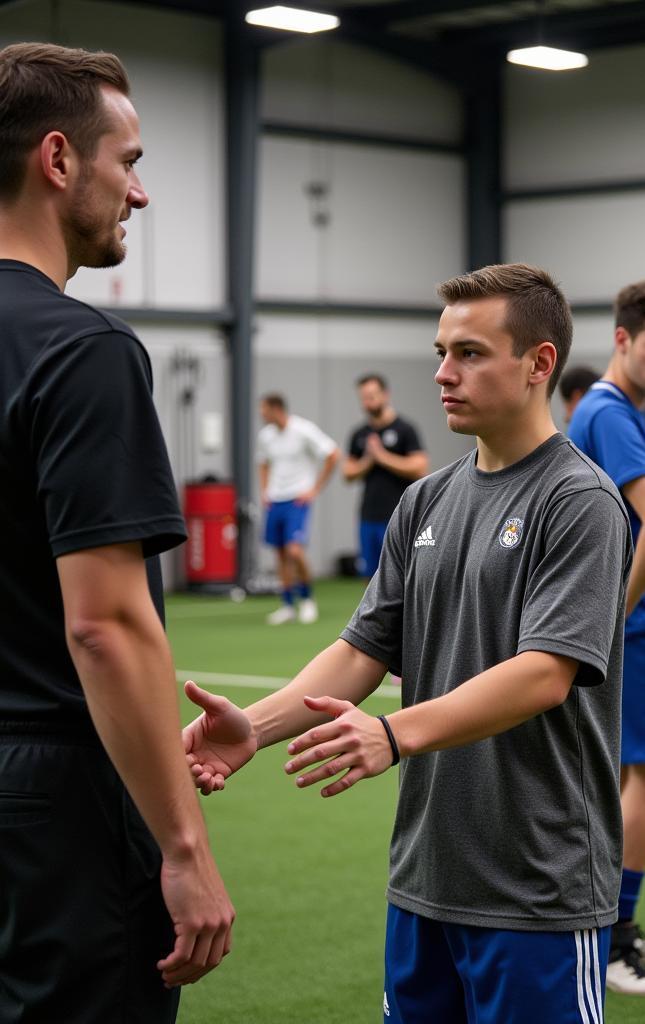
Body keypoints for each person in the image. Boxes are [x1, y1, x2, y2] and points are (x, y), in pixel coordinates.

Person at [182, 263, 632, 1023]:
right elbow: (364, 650)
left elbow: (543, 675)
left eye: (469, 353)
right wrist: (251, 731)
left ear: (538, 364)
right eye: (441, 350)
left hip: (538, 889)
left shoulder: (579, 500)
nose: (441, 373)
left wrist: (393, 734)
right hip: (425, 877)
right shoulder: (427, 498)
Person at [0, 42, 234, 1021]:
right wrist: (183, 847)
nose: (138, 194)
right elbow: (105, 625)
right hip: (50, 801)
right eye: (127, 163)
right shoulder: (82, 352)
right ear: (59, 160)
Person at [568, 279, 645, 996]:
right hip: (639, 632)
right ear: (621, 340)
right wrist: (613, 612)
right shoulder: (612, 414)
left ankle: (602, 925)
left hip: (633, 627)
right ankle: (613, 940)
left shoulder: (609, 411)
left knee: (618, 780)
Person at [257, 393, 340, 624]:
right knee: (281, 553)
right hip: (275, 500)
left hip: (297, 500)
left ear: (276, 409)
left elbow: (333, 454)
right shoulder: (266, 436)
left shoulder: (303, 430)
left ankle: (307, 600)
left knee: (295, 550)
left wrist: (314, 489)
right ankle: (287, 605)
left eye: (264, 409)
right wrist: (265, 491)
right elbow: (263, 463)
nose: (261, 414)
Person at [342, 373, 428, 580]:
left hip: (397, 515)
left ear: (385, 394)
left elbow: (420, 467)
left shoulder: (405, 429)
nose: (367, 402)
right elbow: (347, 473)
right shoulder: (359, 433)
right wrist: (368, 461)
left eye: (372, 396)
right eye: (363, 397)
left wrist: (383, 457)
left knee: (398, 575)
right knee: (370, 577)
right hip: (368, 515)